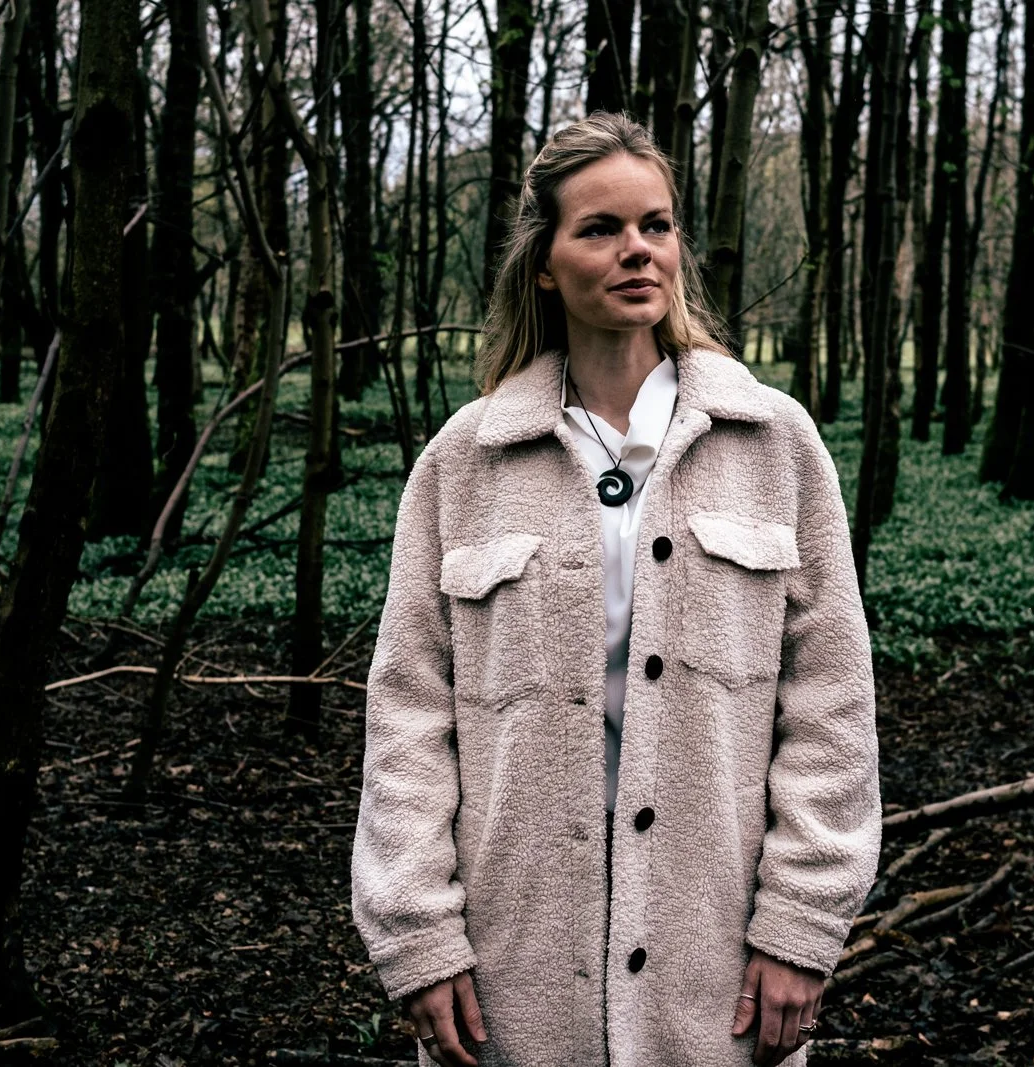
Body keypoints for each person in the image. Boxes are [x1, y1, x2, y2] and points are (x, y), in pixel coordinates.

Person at [349, 112, 881, 1067]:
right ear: (545, 263)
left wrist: (803, 920)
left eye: (657, 225)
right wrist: (417, 933)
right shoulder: (462, 464)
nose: (637, 249)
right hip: (512, 964)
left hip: (716, 964)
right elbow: (406, 721)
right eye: (599, 229)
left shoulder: (775, 445)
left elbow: (833, 704)